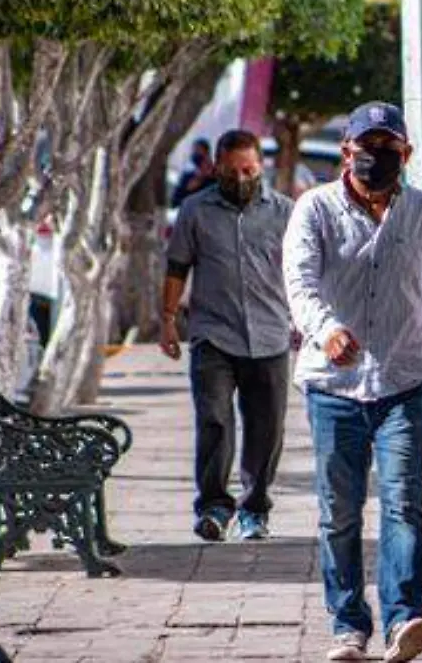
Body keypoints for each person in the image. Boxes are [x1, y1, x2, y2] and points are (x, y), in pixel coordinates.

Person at [282, 101, 422, 663]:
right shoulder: (314, 211)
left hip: (407, 381)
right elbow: (300, 286)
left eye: (387, 148)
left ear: (406, 154)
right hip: (333, 388)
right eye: (365, 147)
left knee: (402, 503)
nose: (375, 157)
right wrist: (325, 331)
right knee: (339, 511)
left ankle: (405, 620)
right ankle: (348, 627)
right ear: (347, 152)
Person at [160, 129, 297, 543]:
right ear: (217, 168)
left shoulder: (285, 211)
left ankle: (254, 510)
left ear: (261, 166)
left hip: (271, 334)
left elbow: (303, 272)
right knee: (215, 420)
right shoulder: (194, 211)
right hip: (213, 335)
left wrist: (308, 321)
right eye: (233, 170)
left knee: (267, 427)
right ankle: (215, 508)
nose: (242, 177)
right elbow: (177, 266)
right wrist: (167, 318)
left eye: (250, 169)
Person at [171, 138, 216, 208]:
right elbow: (175, 202)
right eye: (194, 151)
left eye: (198, 151)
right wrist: (188, 189)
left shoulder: (216, 178)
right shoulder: (188, 177)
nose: (195, 154)